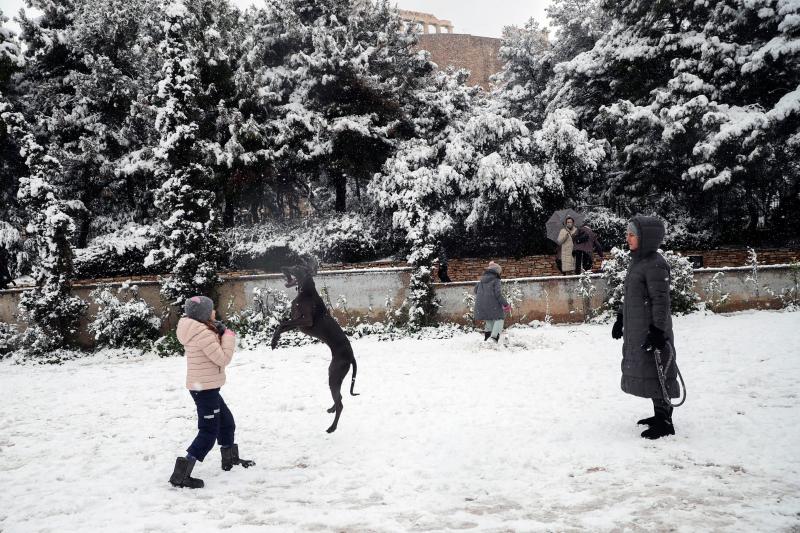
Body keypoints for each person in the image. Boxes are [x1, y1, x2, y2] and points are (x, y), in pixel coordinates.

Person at [169, 296, 255, 489]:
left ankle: (230, 459)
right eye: (212, 309)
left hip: (206, 386)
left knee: (226, 422)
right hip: (204, 389)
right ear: (204, 314)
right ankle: (181, 474)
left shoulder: (199, 328)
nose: (215, 311)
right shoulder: (202, 333)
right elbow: (222, 358)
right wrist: (228, 337)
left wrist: (218, 330)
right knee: (208, 431)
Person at [611, 216, 679, 440]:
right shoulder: (637, 262)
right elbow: (630, 296)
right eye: (627, 234)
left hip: (652, 330)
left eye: (632, 235)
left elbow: (661, 301)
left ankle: (665, 421)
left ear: (645, 238)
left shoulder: (655, 263)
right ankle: (658, 414)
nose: (627, 239)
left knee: (659, 370)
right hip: (638, 329)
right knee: (650, 371)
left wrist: (658, 331)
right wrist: (621, 318)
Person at [473, 261, 511, 343]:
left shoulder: (482, 279)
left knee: (489, 319)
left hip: (482, 305)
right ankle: (493, 338)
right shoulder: (496, 280)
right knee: (500, 318)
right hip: (492, 305)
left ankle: (487, 338)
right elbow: (498, 294)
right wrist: (506, 304)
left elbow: (475, 290)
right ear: (497, 272)